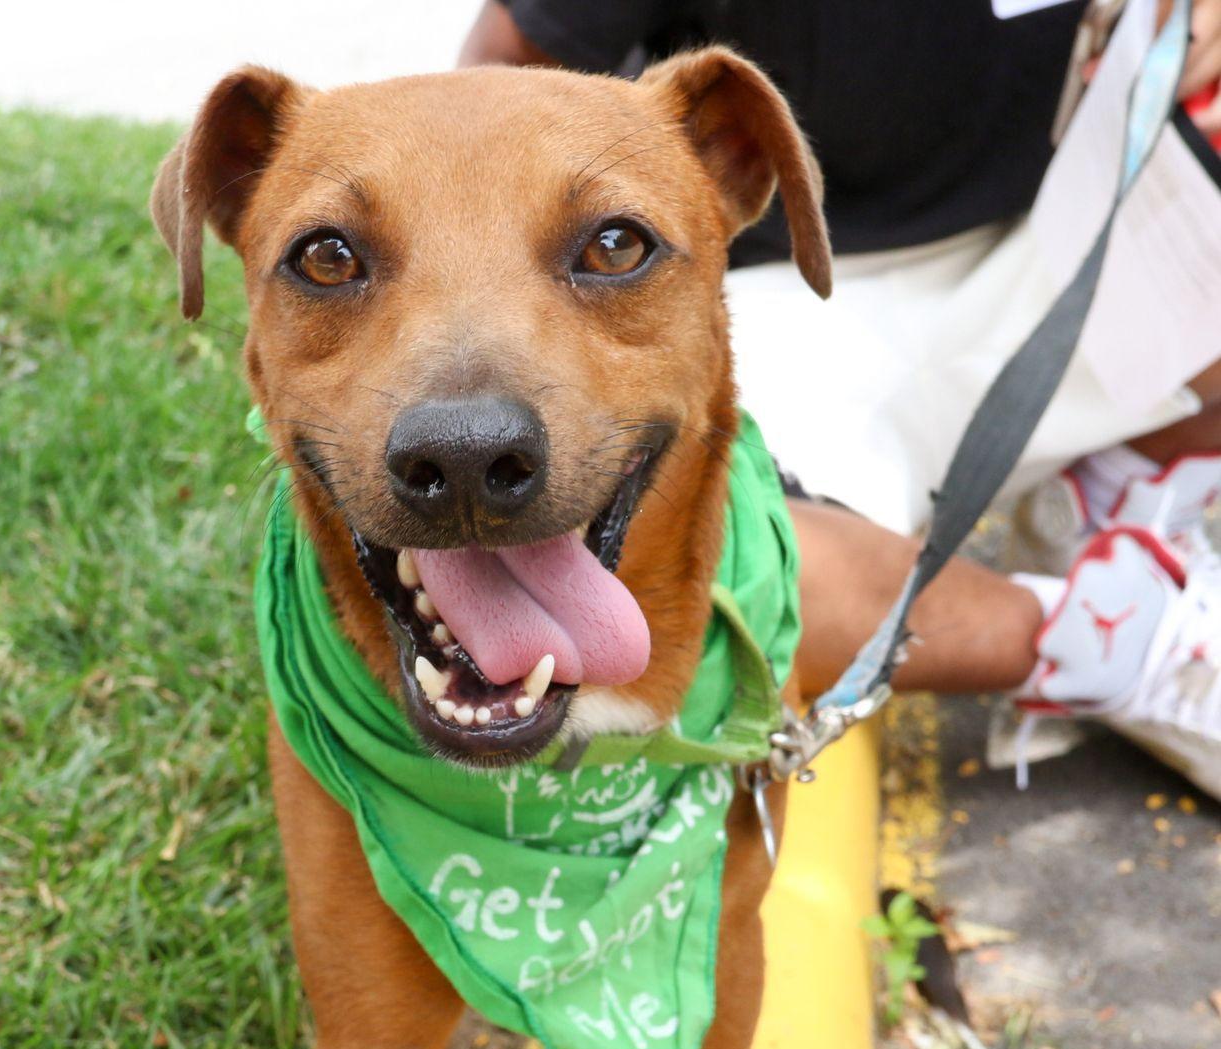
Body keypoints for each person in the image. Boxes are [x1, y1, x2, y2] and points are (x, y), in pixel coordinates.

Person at [460, 0, 1221, 797]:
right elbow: (498, 80)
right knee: (724, 549)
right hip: (788, 285)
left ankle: (1113, 501)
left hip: (1061, 217)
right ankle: (1114, 638)